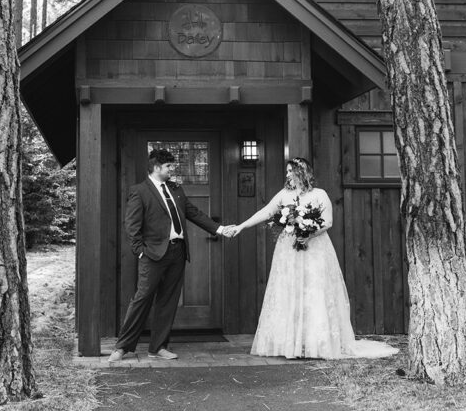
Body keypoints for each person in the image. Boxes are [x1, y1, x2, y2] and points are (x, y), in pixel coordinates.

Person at [227, 157, 398, 360]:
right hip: (288, 250)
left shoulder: (319, 194)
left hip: (315, 249)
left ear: (302, 172)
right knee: (288, 290)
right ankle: (290, 342)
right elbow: (266, 212)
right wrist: (241, 226)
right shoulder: (284, 194)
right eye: (287, 171)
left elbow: (327, 221)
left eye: (291, 171)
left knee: (314, 290)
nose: (288, 174)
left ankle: (316, 342)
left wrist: (307, 233)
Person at [108, 148, 225, 362]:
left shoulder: (176, 189)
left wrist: (219, 229)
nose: (173, 169)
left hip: (178, 251)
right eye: (169, 166)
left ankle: (158, 347)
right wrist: (140, 251)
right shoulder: (140, 191)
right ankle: (123, 347)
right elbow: (131, 225)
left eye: (173, 165)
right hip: (152, 254)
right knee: (142, 299)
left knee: (168, 301)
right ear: (156, 167)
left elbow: (194, 213)